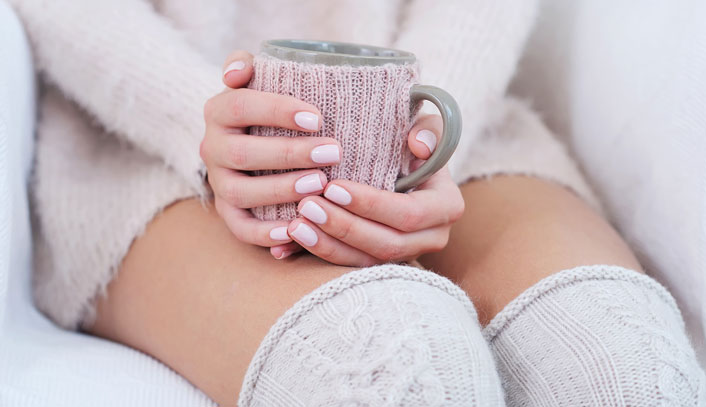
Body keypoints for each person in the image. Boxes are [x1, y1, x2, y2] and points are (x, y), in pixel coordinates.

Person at [9, 0, 705, 405]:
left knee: (619, 359)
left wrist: (421, 136)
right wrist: (203, 122)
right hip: (144, 142)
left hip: (448, 115)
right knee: (392, 362)